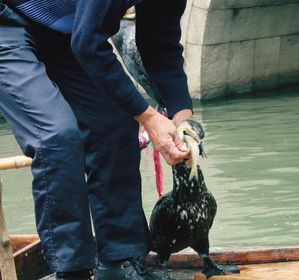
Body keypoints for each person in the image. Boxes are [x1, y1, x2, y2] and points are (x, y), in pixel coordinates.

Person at [0, 0, 193, 279]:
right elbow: (88, 43)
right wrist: (150, 118)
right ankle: (71, 270)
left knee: (114, 121)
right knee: (57, 136)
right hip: (6, 20)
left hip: (63, 30)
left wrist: (182, 117)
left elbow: (159, 44)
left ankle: (119, 260)